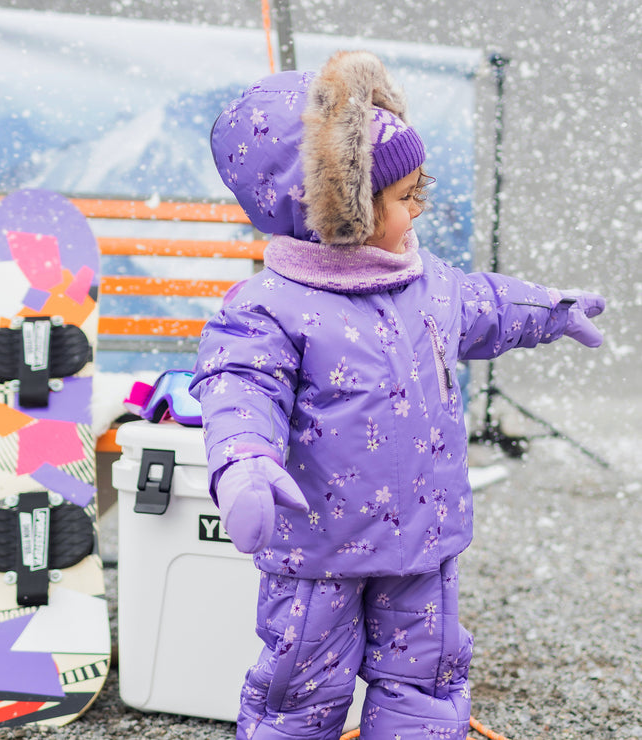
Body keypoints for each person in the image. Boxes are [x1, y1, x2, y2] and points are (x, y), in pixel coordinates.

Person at [189, 50, 605, 740]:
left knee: (428, 682)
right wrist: (243, 462)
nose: (420, 207)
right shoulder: (271, 308)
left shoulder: (427, 281)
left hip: (424, 543)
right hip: (319, 552)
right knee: (299, 692)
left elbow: (487, 304)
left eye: (421, 188)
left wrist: (551, 310)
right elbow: (239, 384)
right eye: (404, 195)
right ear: (342, 210)